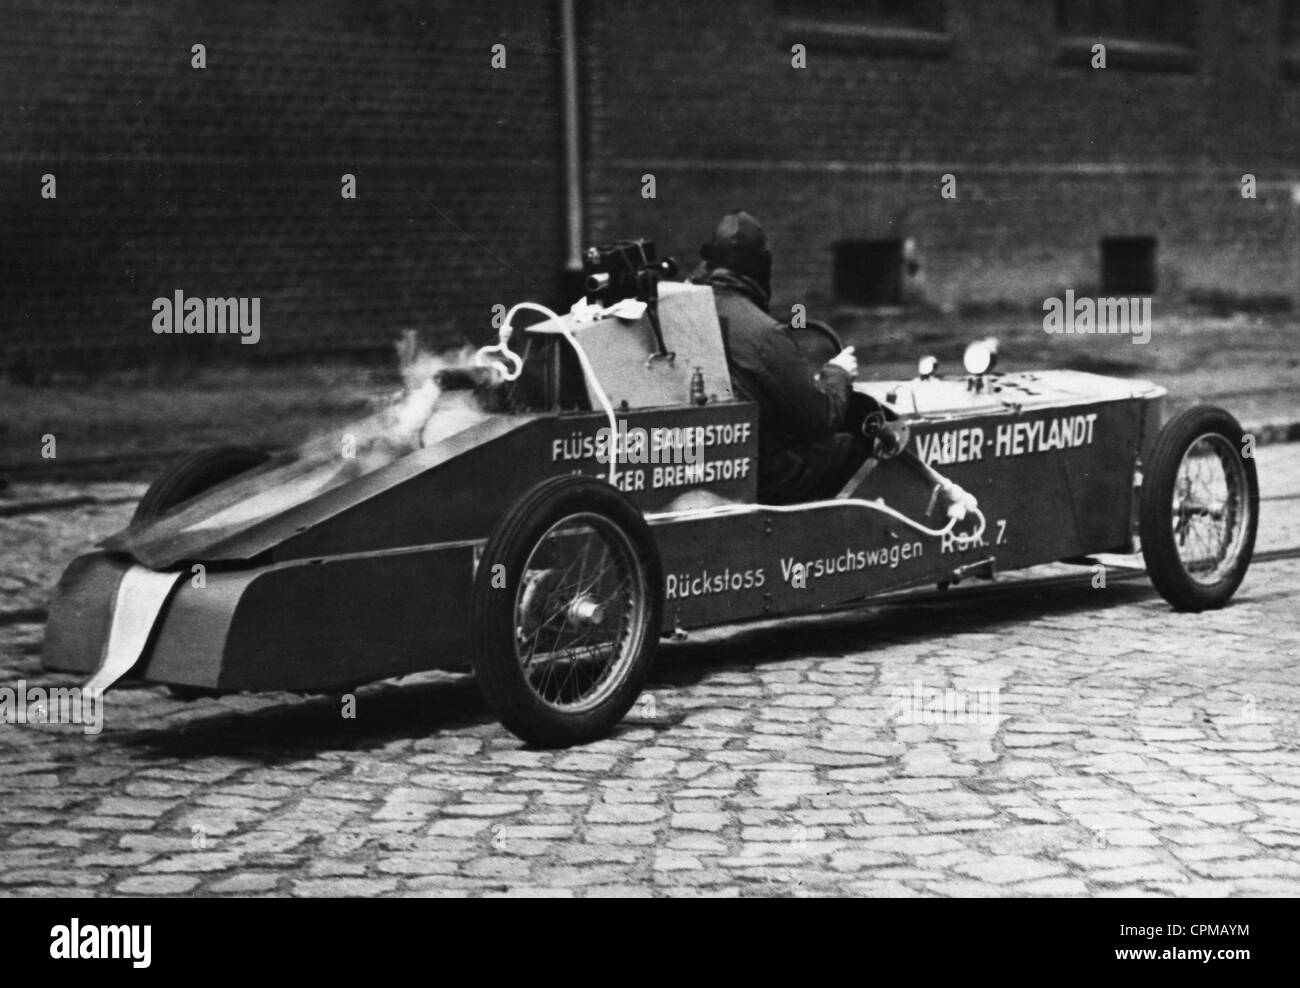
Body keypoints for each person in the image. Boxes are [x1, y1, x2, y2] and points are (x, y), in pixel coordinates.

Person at [693, 210, 868, 504]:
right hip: (768, 477)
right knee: (853, 445)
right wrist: (837, 374)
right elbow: (819, 418)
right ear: (762, 265)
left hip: (704, 462)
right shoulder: (764, 333)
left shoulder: (687, 308)